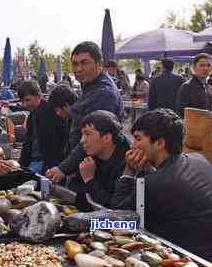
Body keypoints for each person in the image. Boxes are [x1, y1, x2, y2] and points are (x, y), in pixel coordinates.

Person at [110, 109, 212, 267]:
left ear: (159, 143)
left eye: (137, 139)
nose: (133, 145)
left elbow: (118, 217)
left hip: (195, 264)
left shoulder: (154, 184)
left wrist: (129, 171)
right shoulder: (199, 160)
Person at [45, 41, 124, 183]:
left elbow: (90, 139)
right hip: (85, 163)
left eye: (84, 63)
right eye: (75, 64)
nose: (79, 69)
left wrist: (63, 169)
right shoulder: (90, 84)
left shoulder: (103, 93)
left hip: (97, 170)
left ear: (99, 64)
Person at [69, 110, 130, 211]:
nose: (82, 140)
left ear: (107, 137)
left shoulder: (128, 165)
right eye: (82, 134)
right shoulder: (90, 155)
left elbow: (114, 208)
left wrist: (89, 179)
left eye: (87, 134)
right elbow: (75, 191)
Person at [18, 80, 70, 174]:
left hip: (46, 165)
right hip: (37, 162)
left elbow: (55, 144)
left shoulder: (50, 112)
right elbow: (28, 143)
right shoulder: (32, 115)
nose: (25, 104)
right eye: (22, 101)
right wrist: (20, 165)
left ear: (38, 96)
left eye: (27, 100)